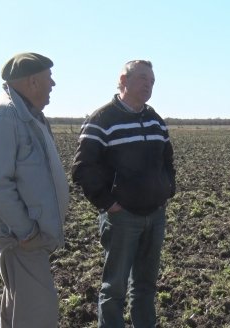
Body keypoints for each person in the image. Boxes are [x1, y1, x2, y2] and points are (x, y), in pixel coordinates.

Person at [71, 60, 176, 328]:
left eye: (151, 81)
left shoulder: (155, 121)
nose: (148, 85)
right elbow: (83, 169)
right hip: (122, 217)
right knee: (114, 288)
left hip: (155, 215)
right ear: (123, 80)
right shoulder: (102, 120)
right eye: (142, 78)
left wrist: (166, 191)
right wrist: (109, 203)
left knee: (145, 286)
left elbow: (168, 162)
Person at [0, 52, 69, 328]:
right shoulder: (4, 116)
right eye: (49, 78)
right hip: (20, 241)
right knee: (38, 316)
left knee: (20, 313)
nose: (54, 84)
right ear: (32, 82)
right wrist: (26, 231)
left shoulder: (26, 115)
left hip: (27, 239)